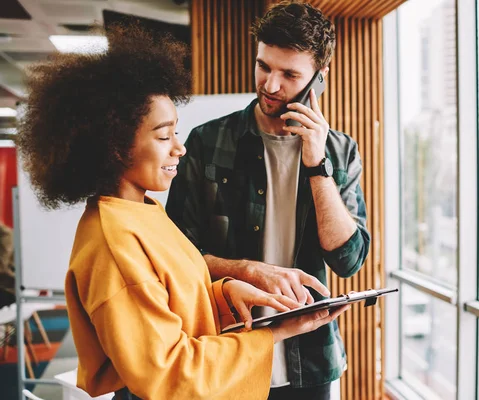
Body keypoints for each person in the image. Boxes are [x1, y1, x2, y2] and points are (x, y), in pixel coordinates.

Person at [15, 24, 349, 400]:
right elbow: (171, 372)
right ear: (115, 147)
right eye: (163, 136)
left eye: (176, 133)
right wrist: (273, 333)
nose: (179, 149)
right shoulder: (112, 245)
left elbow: (172, 301)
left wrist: (225, 294)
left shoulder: (143, 211)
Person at [166, 2, 370, 398]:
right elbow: (175, 257)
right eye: (263, 66)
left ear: (319, 79)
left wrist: (317, 163)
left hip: (309, 361)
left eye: (290, 74)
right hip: (225, 350)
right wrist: (248, 270)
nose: (270, 85)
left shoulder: (340, 151)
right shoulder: (207, 143)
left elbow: (348, 260)